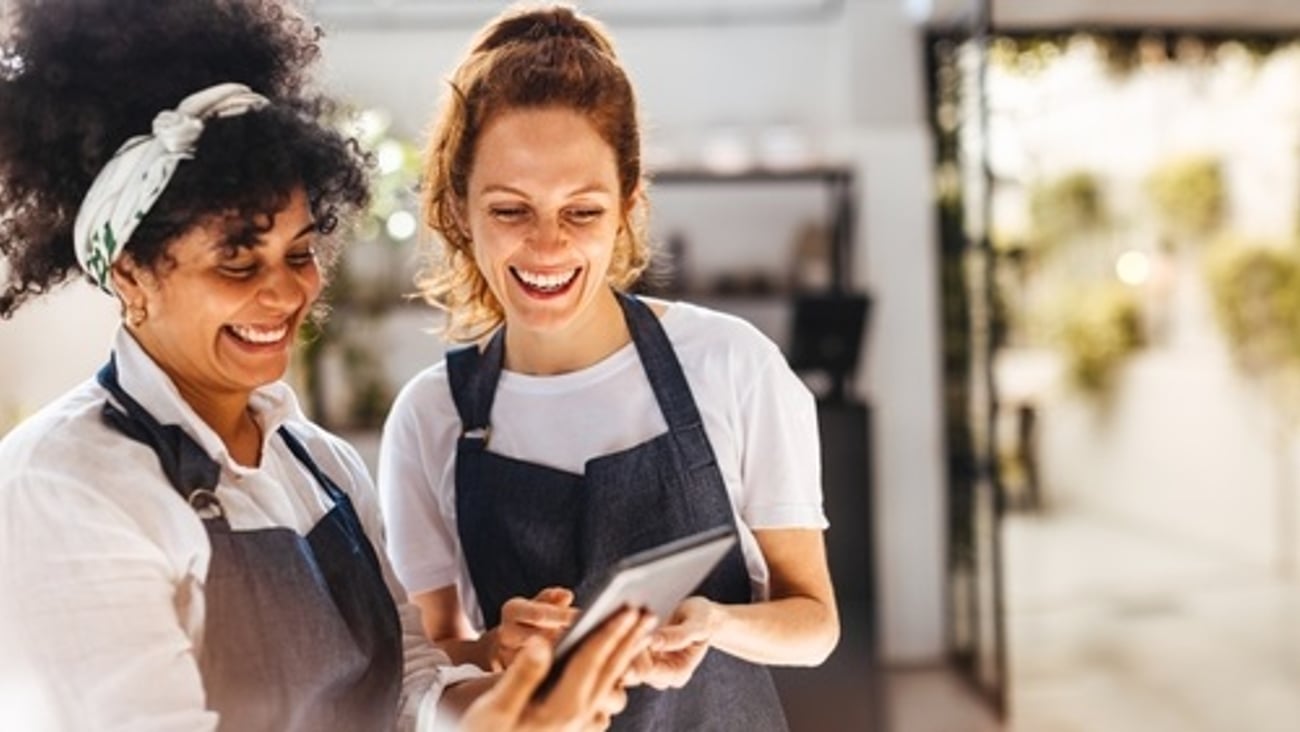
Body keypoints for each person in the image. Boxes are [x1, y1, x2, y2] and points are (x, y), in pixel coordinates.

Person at [0, 1, 652, 730]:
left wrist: (504, 705)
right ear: (130, 275)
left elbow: (410, 685)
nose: (285, 292)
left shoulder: (322, 468)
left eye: (301, 253)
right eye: (238, 261)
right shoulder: (66, 487)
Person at [378, 4, 841, 730]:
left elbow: (815, 624)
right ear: (459, 209)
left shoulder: (729, 365)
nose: (546, 246)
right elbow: (428, 657)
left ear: (627, 204)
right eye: (510, 210)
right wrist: (497, 644)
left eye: (582, 212)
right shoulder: (432, 415)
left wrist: (713, 622)